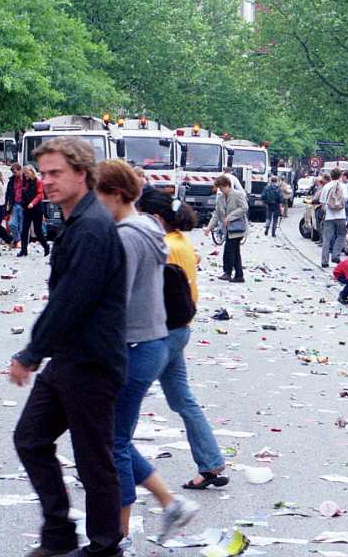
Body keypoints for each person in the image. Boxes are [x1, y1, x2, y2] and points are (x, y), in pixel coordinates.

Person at [10, 137, 128, 557]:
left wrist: (30, 352)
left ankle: (104, 545)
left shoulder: (93, 227)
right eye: (43, 173)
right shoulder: (78, 221)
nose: (47, 181)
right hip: (70, 359)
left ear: (82, 174)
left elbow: (71, 299)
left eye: (56, 173)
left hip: (91, 362)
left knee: (93, 458)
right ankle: (59, 532)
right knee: (30, 439)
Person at [95, 160, 199, 545]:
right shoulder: (148, 229)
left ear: (116, 194)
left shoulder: (127, 235)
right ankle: (170, 503)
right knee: (116, 437)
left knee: (113, 442)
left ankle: (118, 534)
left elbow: (114, 300)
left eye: (97, 194)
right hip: (153, 341)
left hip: (136, 346)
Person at [136, 190, 228, 491]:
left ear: (157, 218)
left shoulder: (164, 245)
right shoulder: (180, 242)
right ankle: (211, 463)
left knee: (125, 397)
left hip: (163, 331)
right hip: (178, 329)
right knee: (181, 399)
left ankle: (108, 461)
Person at [205, 175, 248, 282]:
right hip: (228, 229)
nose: (221, 190)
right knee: (235, 252)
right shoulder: (220, 198)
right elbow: (216, 215)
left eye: (222, 188)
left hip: (237, 229)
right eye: (219, 188)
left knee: (229, 251)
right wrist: (209, 228)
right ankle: (239, 275)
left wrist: (230, 216)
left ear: (228, 185)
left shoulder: (237, 195)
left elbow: (244, 208)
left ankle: (227, 272)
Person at [18, 165, 50, 257]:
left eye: (27, 173)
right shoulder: (25, 181)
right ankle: (23, 251)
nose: (26, 175)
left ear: (32, 172)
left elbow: (40, 195)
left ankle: (46, 247)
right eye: (24, 174)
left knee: (38, 231)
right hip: (27, 209)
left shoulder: (38, 181)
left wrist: (32, 203)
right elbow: (22, 193)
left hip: (37, 209)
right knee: (24, 230)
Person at [318, 168, 348, 268]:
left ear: (331, 176)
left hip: (329, 216)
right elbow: (345, 200)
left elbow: (322, 201)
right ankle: (335, 255)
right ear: (340, 175)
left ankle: (324, 261)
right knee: (341, 236)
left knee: (327, 239)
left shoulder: (326, 186)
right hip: (341, 215)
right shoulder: (343, 186)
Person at [6, 162, 26, 249]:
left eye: (15, 172)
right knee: (12, 224)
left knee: (22, 226)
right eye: (13, 172)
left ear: (20, 170)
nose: (14, 174)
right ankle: (18, 240)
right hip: (14, 204)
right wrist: (7, 203)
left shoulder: (26, 180)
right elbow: (8, 193)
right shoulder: (12, 180)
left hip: (23, 205)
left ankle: (21, 242)